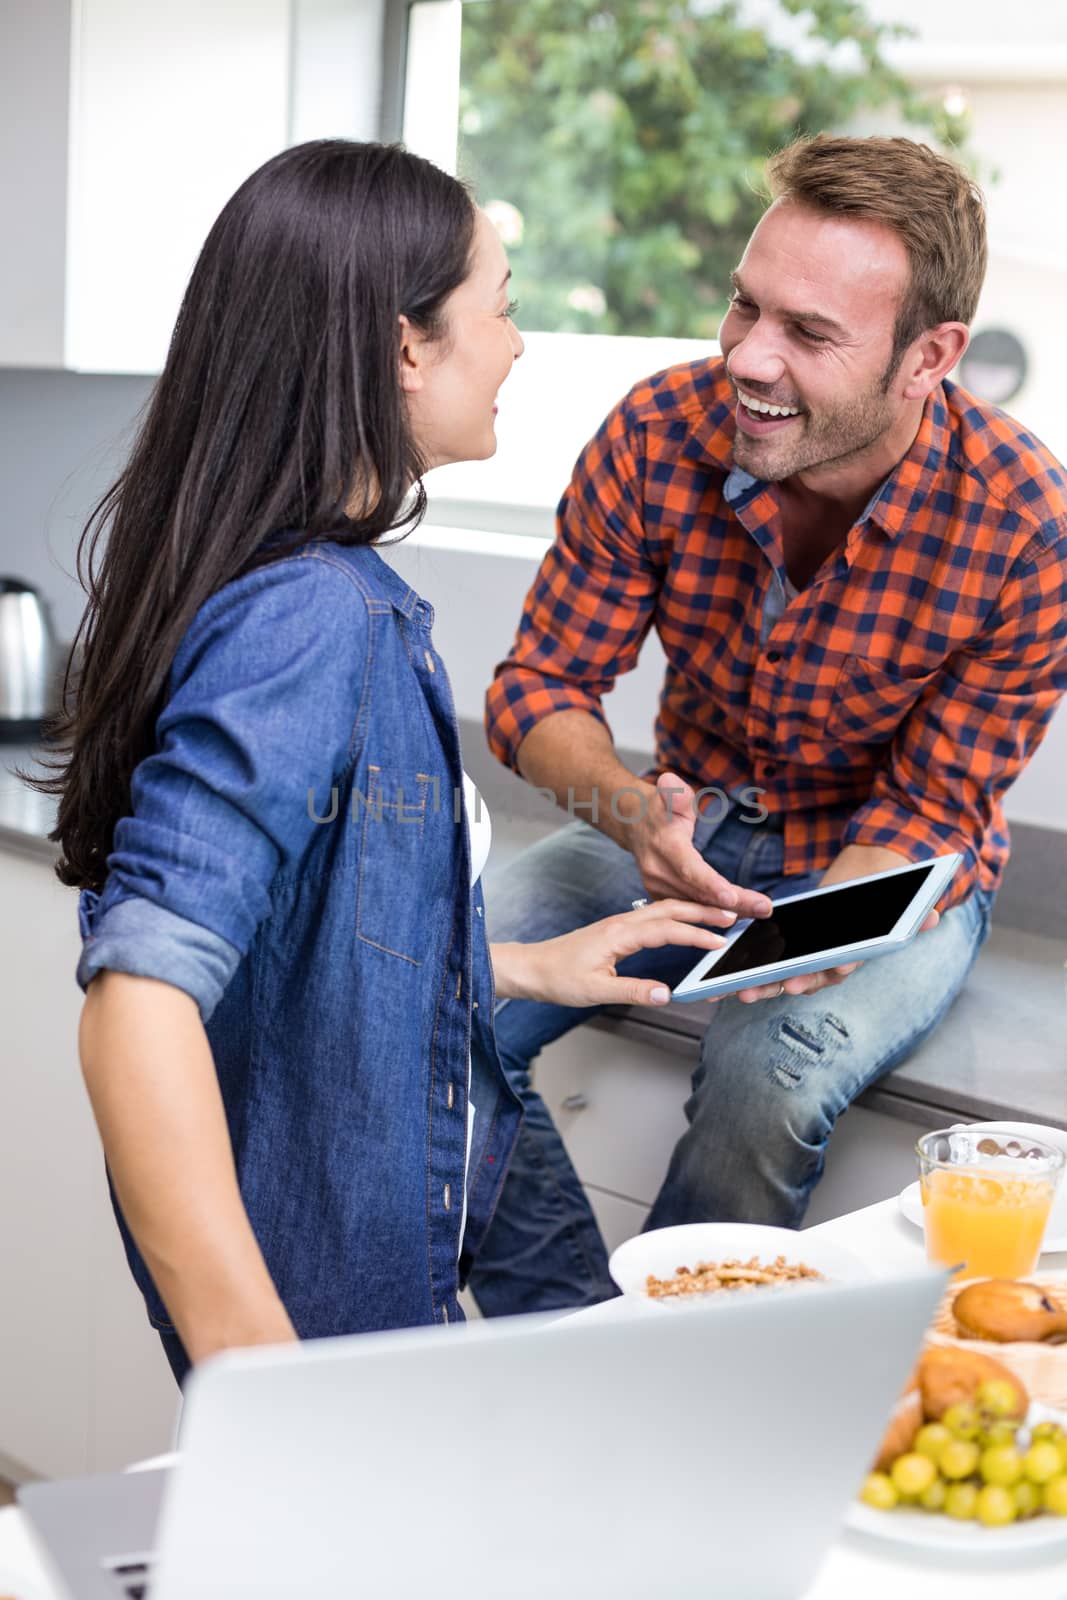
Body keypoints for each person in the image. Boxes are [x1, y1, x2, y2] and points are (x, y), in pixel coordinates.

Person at [43, 140, 731, 1386]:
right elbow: (137, 1000)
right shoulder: (313, 620)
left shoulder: (312, 591)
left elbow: (298, 941)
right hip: (319, 1338)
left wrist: (500, 964)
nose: (515, 343)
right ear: (406, 345)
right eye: (502, 305)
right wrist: (260, 1371)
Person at [468, 134, 1067, 1317]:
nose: (746, 355)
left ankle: (680, 1397)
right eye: (743, 306)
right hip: (674, 830)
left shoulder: (1022, 527)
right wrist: (630, 808)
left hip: (890, 869)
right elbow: (536, 689)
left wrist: (795, 942)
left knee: (764, 1074)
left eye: (807, 332)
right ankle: (582, 1335)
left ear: (927, 357)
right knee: (416, 994)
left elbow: (930, 813)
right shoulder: (655, 432)